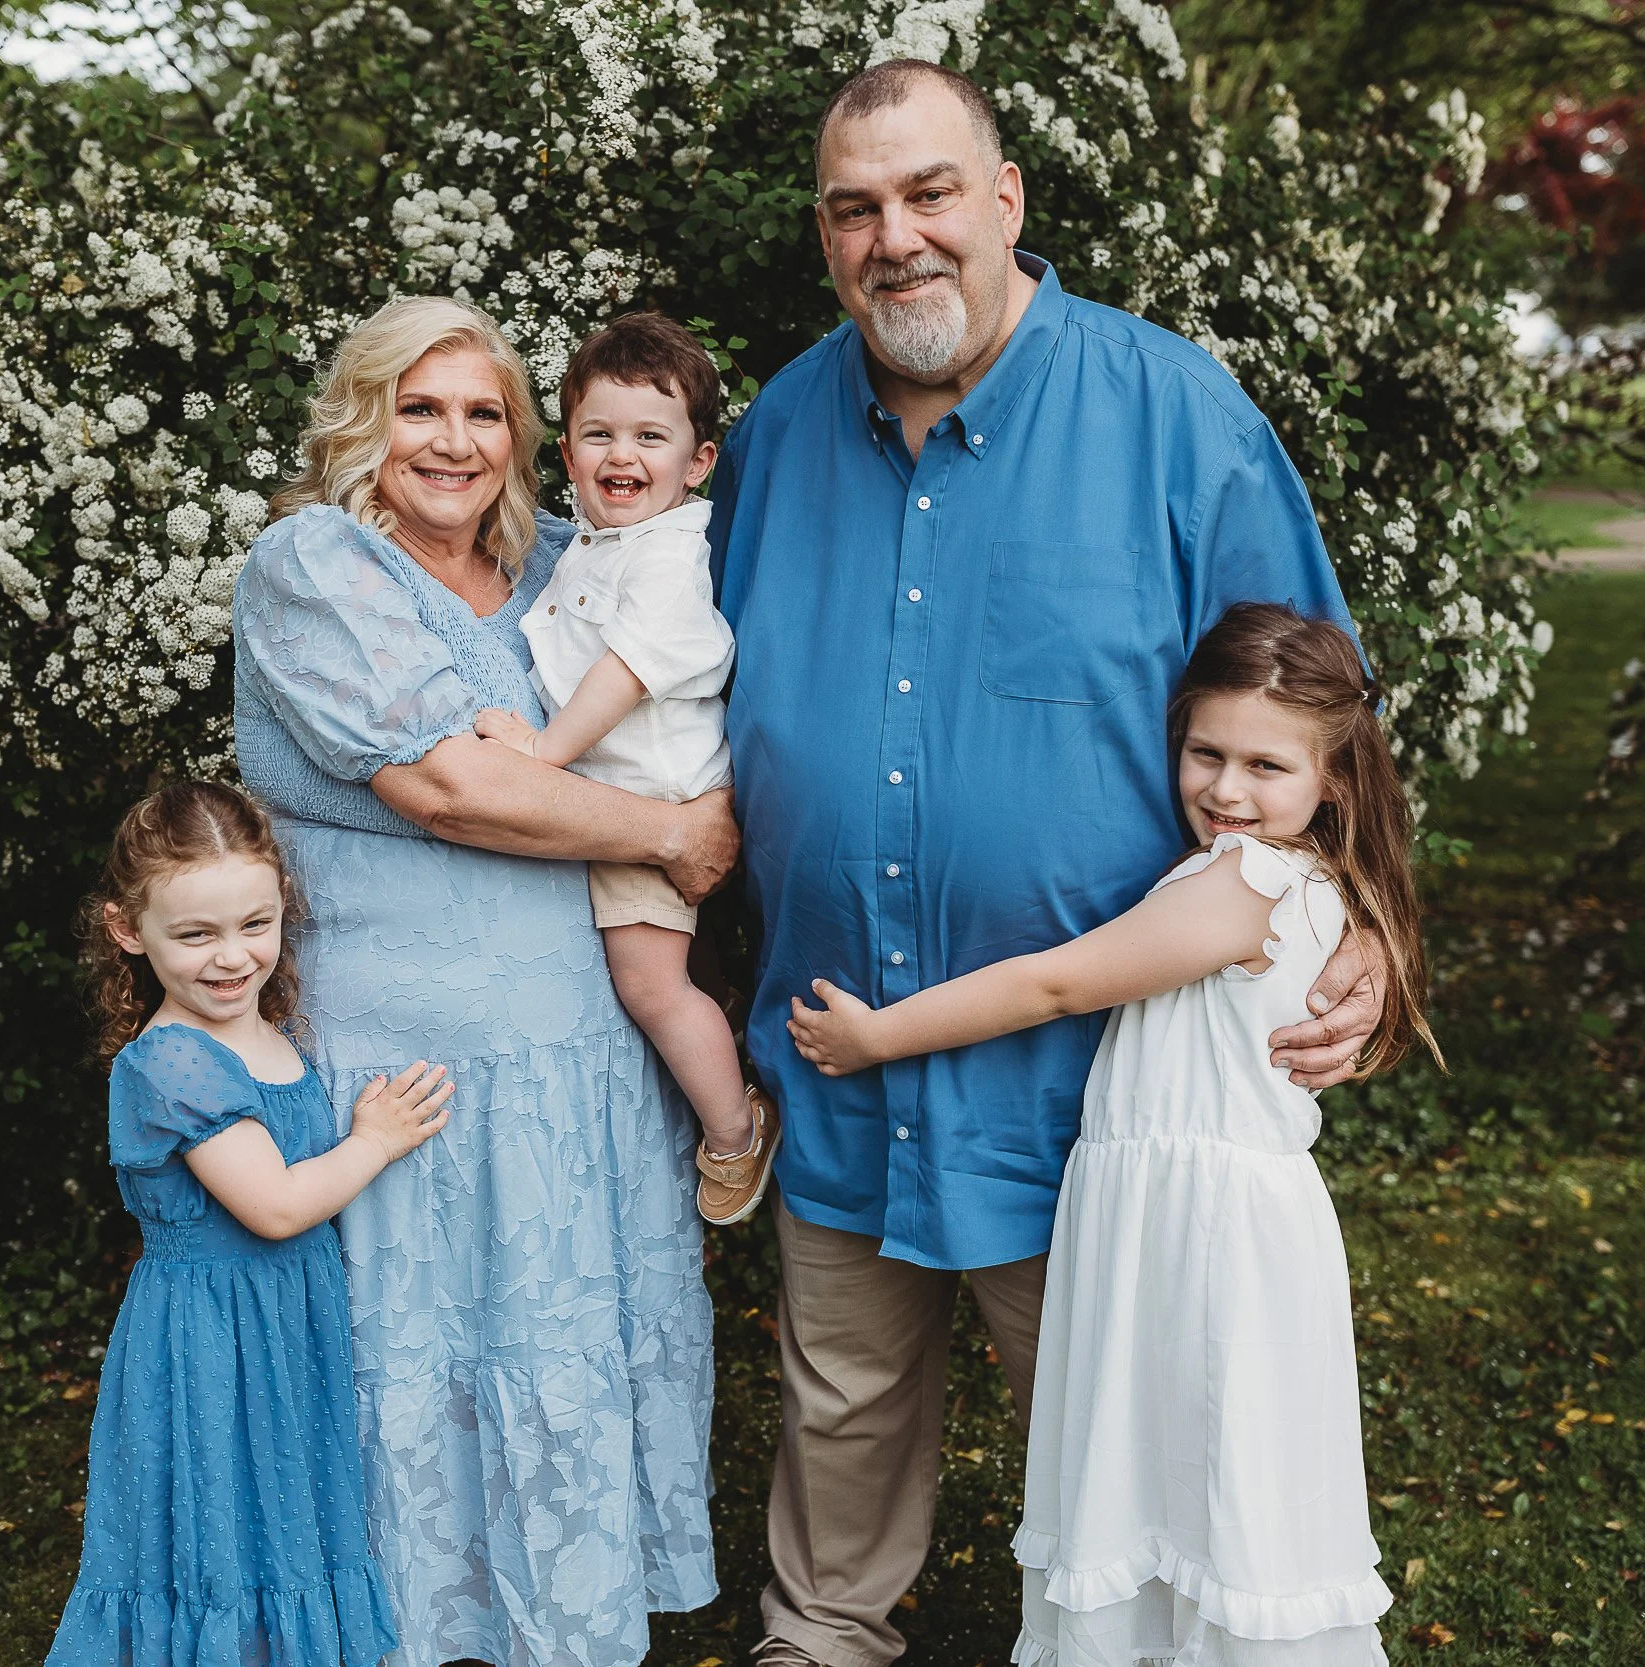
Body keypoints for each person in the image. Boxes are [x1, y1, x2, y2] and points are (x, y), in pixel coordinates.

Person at [704, 60, 1392, 1667]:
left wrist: (1367, 928)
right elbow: (662, 677)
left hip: (1097, 1086)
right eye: (858, 208)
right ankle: (825, 1634)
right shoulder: (778, 430)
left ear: (1006, 199)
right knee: (845, 1393)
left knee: (1130, 1429)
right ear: (825, 235)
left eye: (931, 192)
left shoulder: (1173, 412)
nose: (899, 238)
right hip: (837, 1037)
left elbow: (1321, 714)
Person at [791, 604, 1434, 1667]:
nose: (1226, 791)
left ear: (1333, 781)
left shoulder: (1248, 881)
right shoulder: (1295, 876)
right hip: (1179, 1213)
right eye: (1204, 753)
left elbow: (1056, 982)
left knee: (1201, 1465)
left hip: (1204, 1232)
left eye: (1265, 765)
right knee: (1189, 1470)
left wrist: (878, 1035)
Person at [233, 295, 728, 1667]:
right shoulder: (313, 567)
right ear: (363, 420)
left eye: (484, 411)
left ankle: (556, 1623)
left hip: (574, 1052)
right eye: (420, 406)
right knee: (422, 1352)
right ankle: (418, 1626)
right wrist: (674, 832)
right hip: (407, 1068)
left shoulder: (576, 561)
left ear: (526, 436)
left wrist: (722, 795)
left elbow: (683, 690)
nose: (453, 441)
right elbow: (452, 786)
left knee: (561, 1344)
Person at [45, 780, 452, 1667]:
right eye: (195, 934)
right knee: (218, 1532)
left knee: (282, 1520)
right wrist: (375, 1142)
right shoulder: (173, 1062)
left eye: (253, 925)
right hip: (209, 1339)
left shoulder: (265, 1028)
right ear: (127, 929)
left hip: (282, 1330)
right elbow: (273, 1207)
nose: (231, 958)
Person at [474, 313, 780, 1226]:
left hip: (651, 806)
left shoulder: (672, 552)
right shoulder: (594, 544)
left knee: (651, 985)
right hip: (612, 799)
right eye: (599, 434)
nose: (622, 455)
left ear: (698, 460)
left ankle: (734, 1127)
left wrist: (542, 756)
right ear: (565, 452)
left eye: (651, 436)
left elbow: (629, 668)